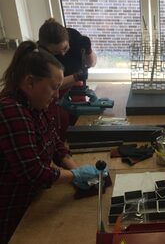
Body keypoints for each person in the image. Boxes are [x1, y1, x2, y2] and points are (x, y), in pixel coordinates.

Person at [0, 41, 103, 244]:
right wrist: (74, 175)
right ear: (30, 83)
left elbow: (55, 143)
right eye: (54, 88)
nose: (57, 94)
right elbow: (33, 171)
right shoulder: (11, 111)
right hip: (12, 209)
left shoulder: (35, 105)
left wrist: (76, 170)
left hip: (34, 202)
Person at [38, 18, 97, 141]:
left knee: (81, 120)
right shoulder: (40, 54)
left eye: (64, 48)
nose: (62, 54)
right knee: (62, 124)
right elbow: (51, 85)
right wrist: (76, 76)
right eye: (56, 52)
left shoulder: (74, 36)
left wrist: (89, 50)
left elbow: (91, 63)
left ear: (68, 38)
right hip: (57, 91)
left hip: (76, 87)